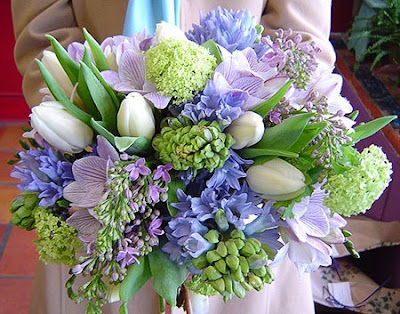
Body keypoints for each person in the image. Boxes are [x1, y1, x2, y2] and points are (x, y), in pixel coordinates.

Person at [11, 1, 336, 313]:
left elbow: (303, 40)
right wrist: (85, 105)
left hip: (243, 163)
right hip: (97, 157)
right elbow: (43, 30)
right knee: (102, 287)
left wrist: (257, 117)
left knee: (235, 285)